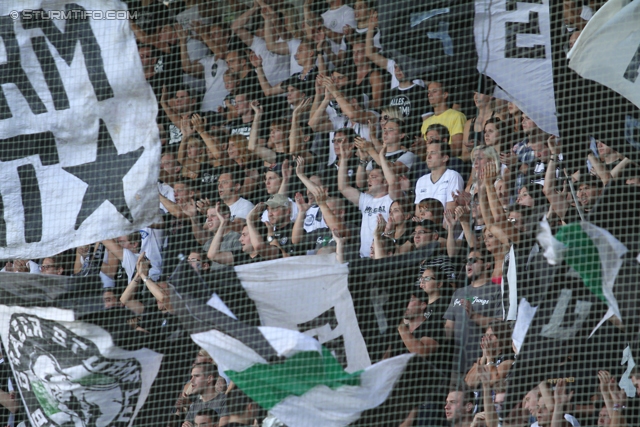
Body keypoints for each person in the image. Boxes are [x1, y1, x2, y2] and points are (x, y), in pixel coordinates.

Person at [338, 143, 402, 258]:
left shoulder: (391, 199)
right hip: (365, 256)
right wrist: (343, 158)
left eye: (374, 177)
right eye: (369, 177)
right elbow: (343, 187)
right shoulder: (366, 200)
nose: (369, 180)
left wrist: (381, 157)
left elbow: (393, 181)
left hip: (383, 255)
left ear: (385, 181)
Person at [444, 249, 502, 374]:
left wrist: (474, 315)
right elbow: (448, 328)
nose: (468, 264)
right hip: (457, 364)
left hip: (483, 363)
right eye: (466, 261)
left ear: (487, 264)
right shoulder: (458, 292)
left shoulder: (497, 291)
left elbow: (500, 325)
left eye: (473, 260)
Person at [414, 140, 465, 213]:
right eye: (427, 153)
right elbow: (418, 212)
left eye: (433, 153)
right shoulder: (421, 180)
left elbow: (451, 210)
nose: (428, 157)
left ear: (445, 158)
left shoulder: (453, 176)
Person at [421, 80, 467, 157]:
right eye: (428, 92)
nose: (430, 95)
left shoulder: (457, 116)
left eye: (434, 91)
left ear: (445, 95)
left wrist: (434, 145)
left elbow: (457, 149)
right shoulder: (426, 122)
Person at [182, 363, 228, 427]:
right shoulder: (194, 406)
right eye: (191, 376)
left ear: (209, 379)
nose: (191, 380)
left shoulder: (225, 401)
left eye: (197, 376)